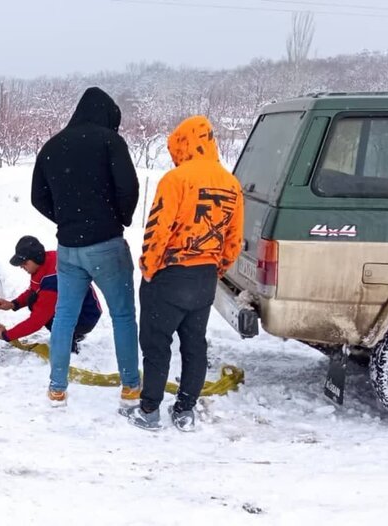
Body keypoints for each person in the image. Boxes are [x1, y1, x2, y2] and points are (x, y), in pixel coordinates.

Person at [121, 115, 244, 432]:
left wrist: (149, 268)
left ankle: (149, 411)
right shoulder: (231, 184)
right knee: (194, 345)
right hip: (204, 278)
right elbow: (234, 239)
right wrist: (216, 268)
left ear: (184, 144)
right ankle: (185, 409)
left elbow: (158, 229)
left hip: (169, 275)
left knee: (156, 344)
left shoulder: (176, 180)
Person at [31, 87, 141, 407]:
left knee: (65, 316)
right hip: (107, 245)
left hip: (67, 248)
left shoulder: (52, 146)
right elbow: (128, 187)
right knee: (122, 315)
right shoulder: (110, 142)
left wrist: (66, 219)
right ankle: (130, 386)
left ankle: (57, 387)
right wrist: (120, 217)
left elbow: (38, 197)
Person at [0, 236, 101, 356]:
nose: (22, 266)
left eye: (24, 263)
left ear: (35, 258)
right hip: (79, 310)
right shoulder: (45, 262)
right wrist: (13, 304)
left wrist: (6, 335)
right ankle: (71, 333)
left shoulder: (53, 281)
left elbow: (37, 321)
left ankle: (67, 346)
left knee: (42, 309)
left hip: (86, 316)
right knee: (35, 300)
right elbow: (34, 290)